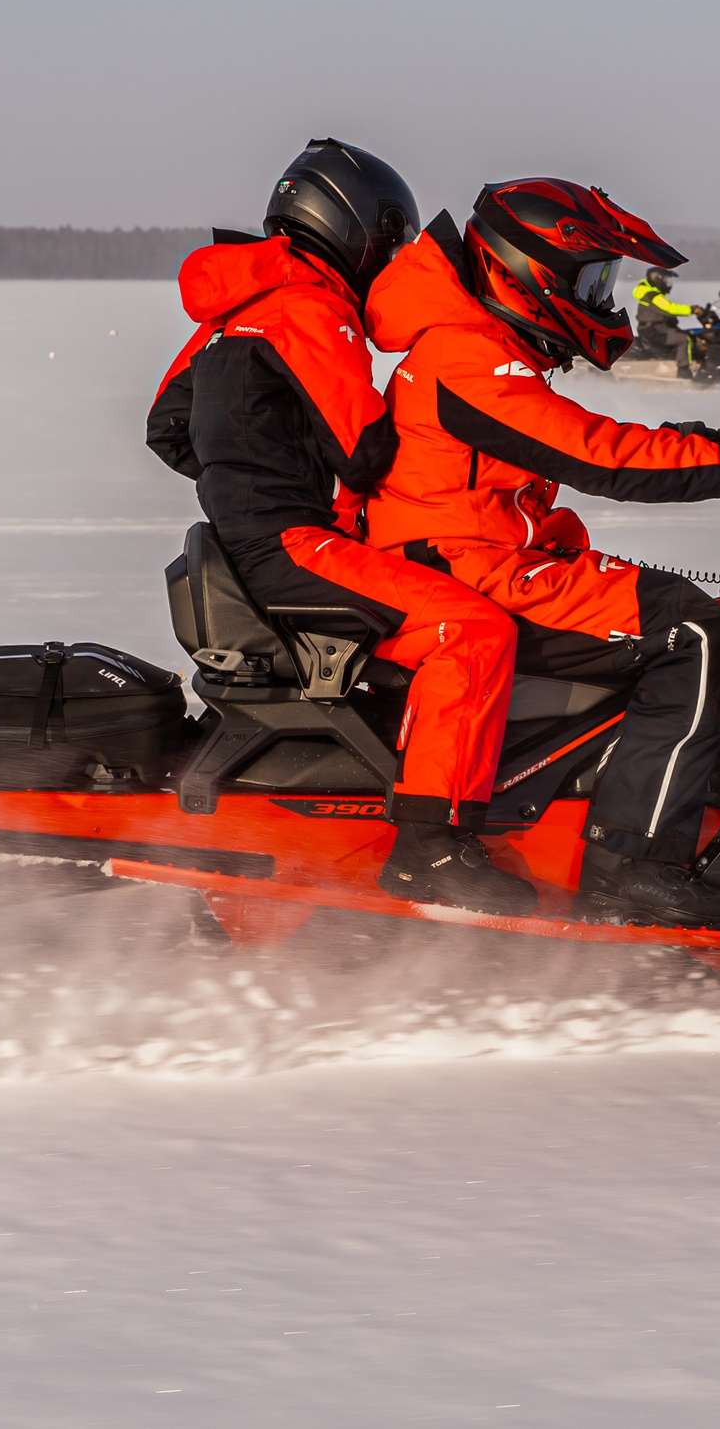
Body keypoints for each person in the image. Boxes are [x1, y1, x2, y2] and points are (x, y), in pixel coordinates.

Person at [360, 178, 720, 928]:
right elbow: (599, 455)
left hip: (484, 555)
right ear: (525, 273)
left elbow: (584, 437)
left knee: (708, 612)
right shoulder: (465, 356)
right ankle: (634, 865)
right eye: (589, 280)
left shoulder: (476, 345)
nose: (601, 299)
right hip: (468, 566)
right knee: (693, 634)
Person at [145, 139, 534, 916]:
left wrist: (244, 478)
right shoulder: (310, 304)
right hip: (294, 542)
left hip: (253, 539)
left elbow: (167, 426)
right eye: (389, 245)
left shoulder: (233, 309)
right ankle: (431, 846)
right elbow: (362, 452)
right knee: (474, 630)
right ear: (361, 229)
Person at [629, 264, 697, 364]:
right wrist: (692, 310)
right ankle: (684, 370)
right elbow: (669, 308)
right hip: (654, 329)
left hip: (653, 328)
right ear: (658, 279)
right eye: (666, 280)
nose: (667, 283)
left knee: (684, 334)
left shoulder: (649, 294)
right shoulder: (652, 296)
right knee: (684, 339)